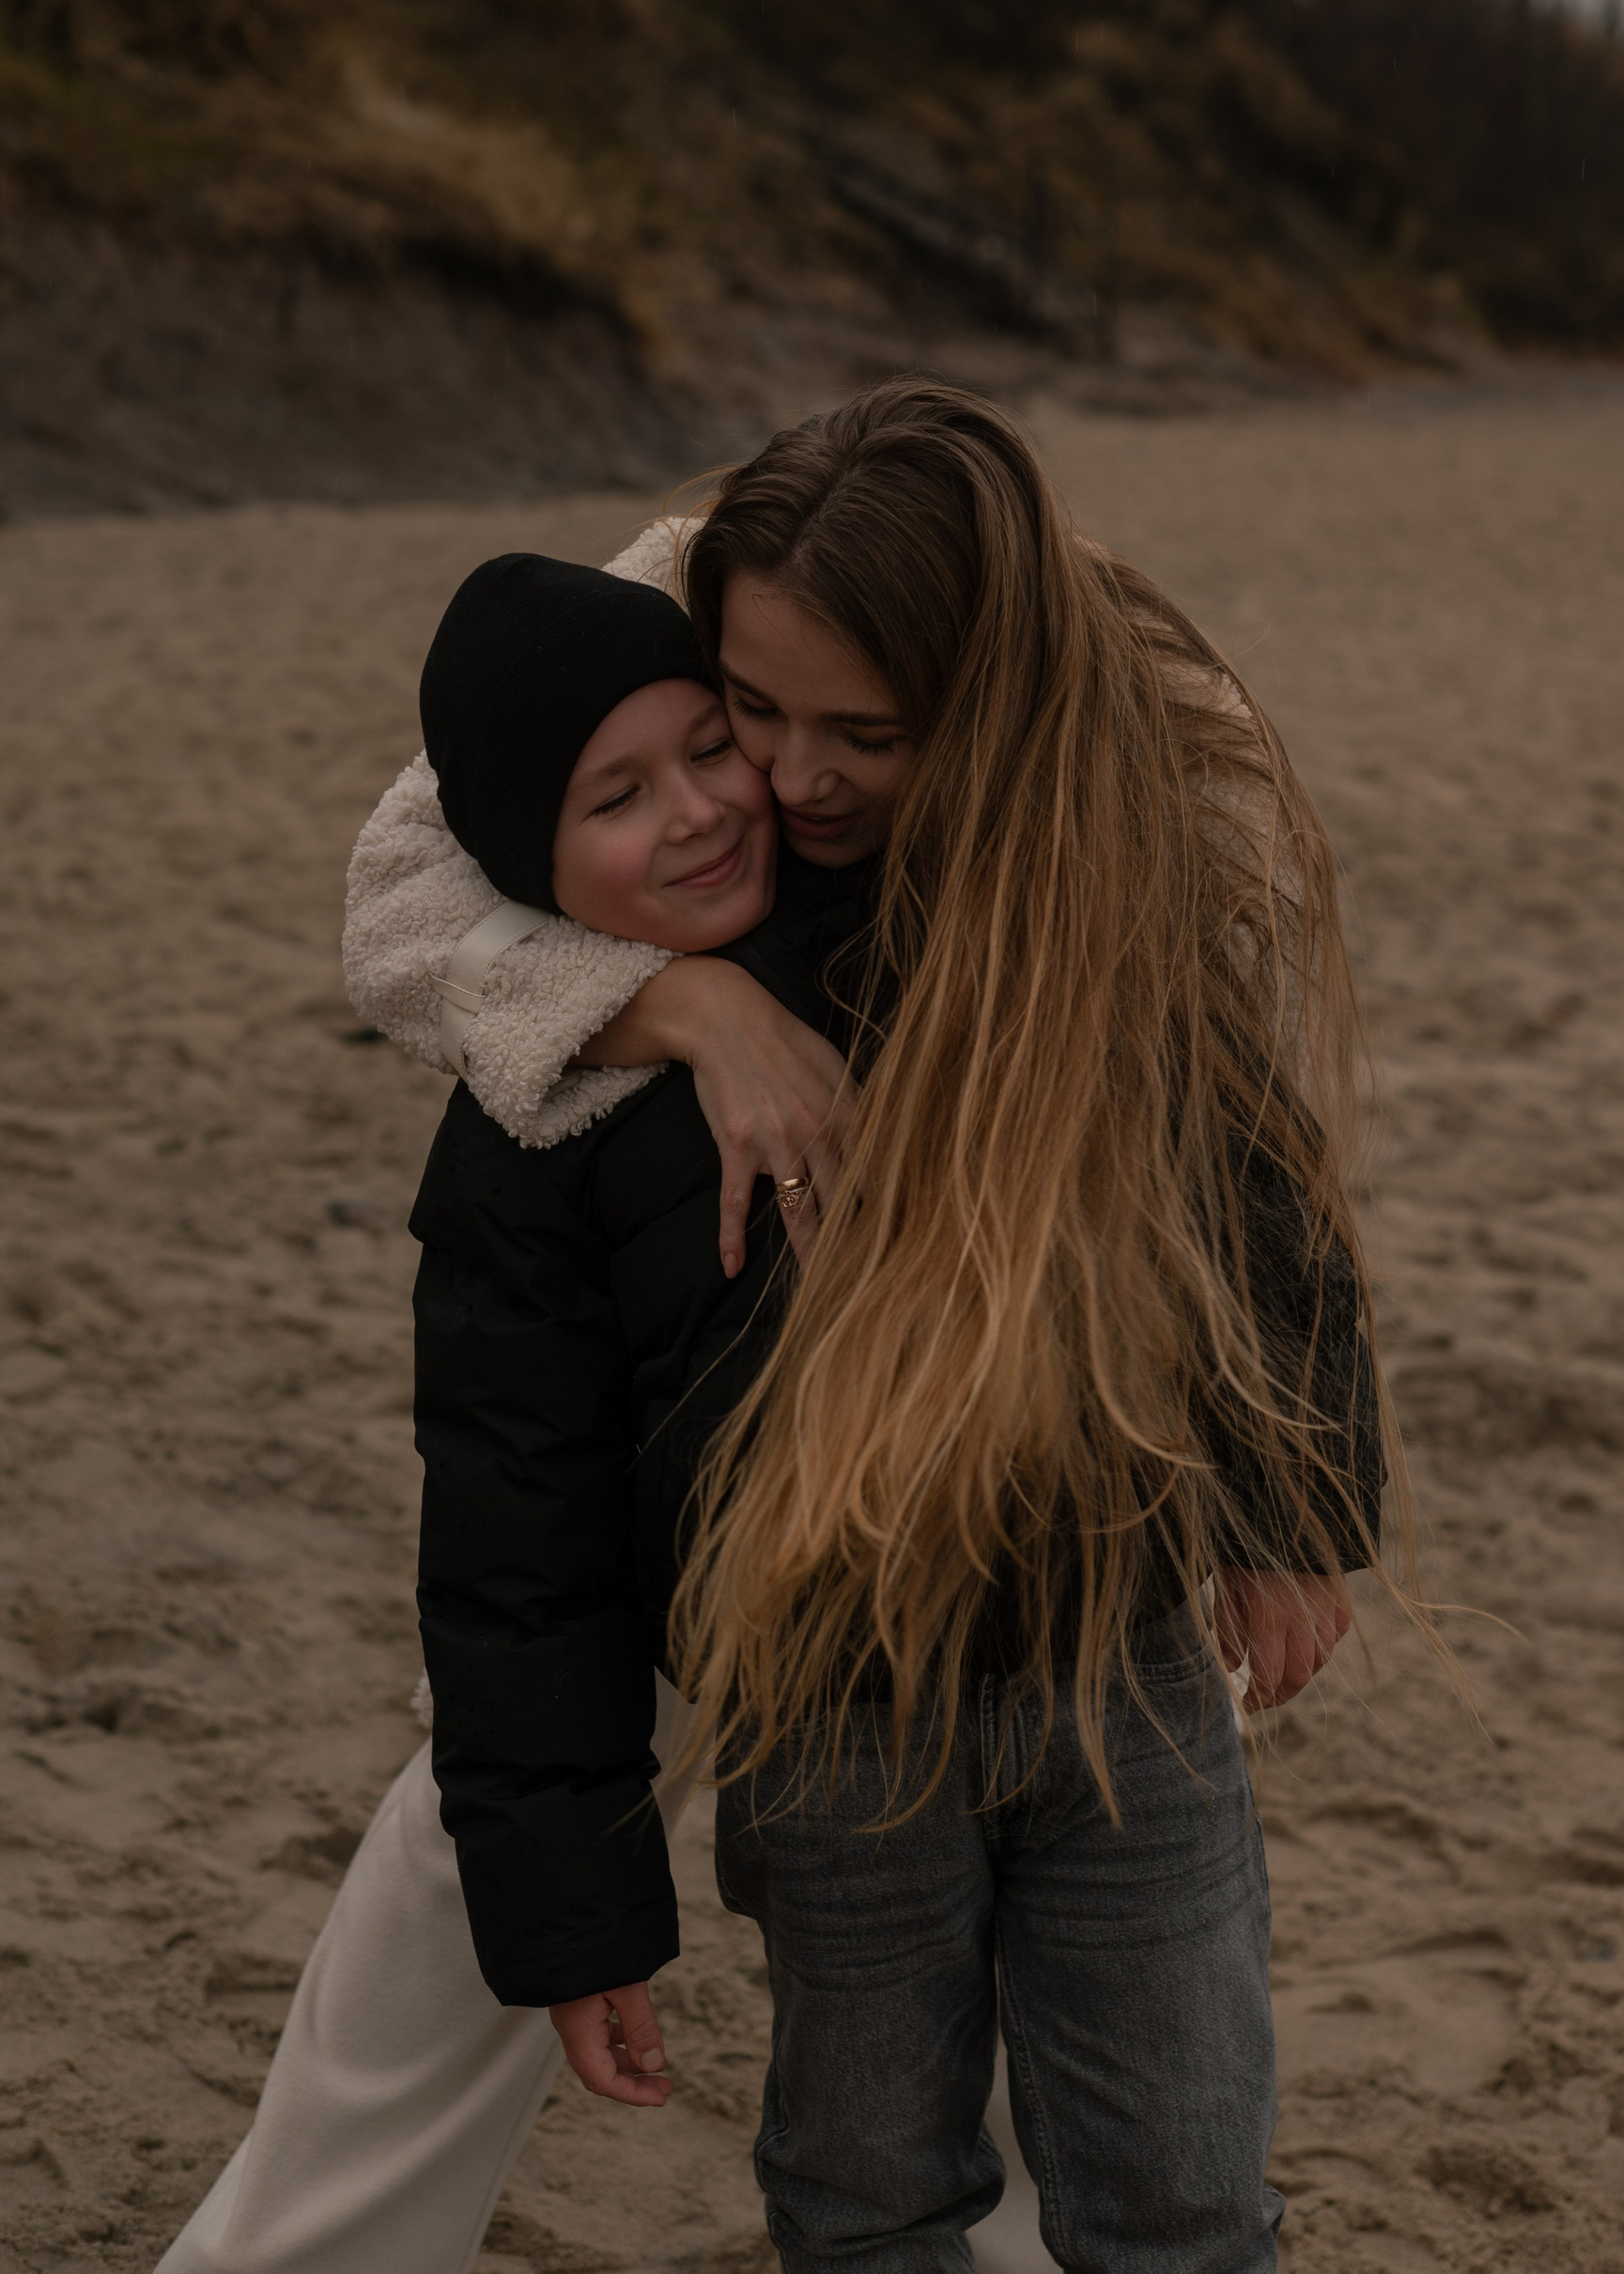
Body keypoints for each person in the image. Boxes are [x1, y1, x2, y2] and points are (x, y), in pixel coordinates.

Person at [161, 379, 1400, 2274]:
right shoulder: (673, 608)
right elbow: (408, 901)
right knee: (498, 1829)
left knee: (1113, 1953)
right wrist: (680, 1006)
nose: (785, 778)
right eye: (754, 707)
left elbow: (1238, 1153)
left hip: (1038, 1486)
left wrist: (1287, 1499)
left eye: (862, 734)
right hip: (722, 1511)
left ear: (978, 695)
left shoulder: (1139, 739)